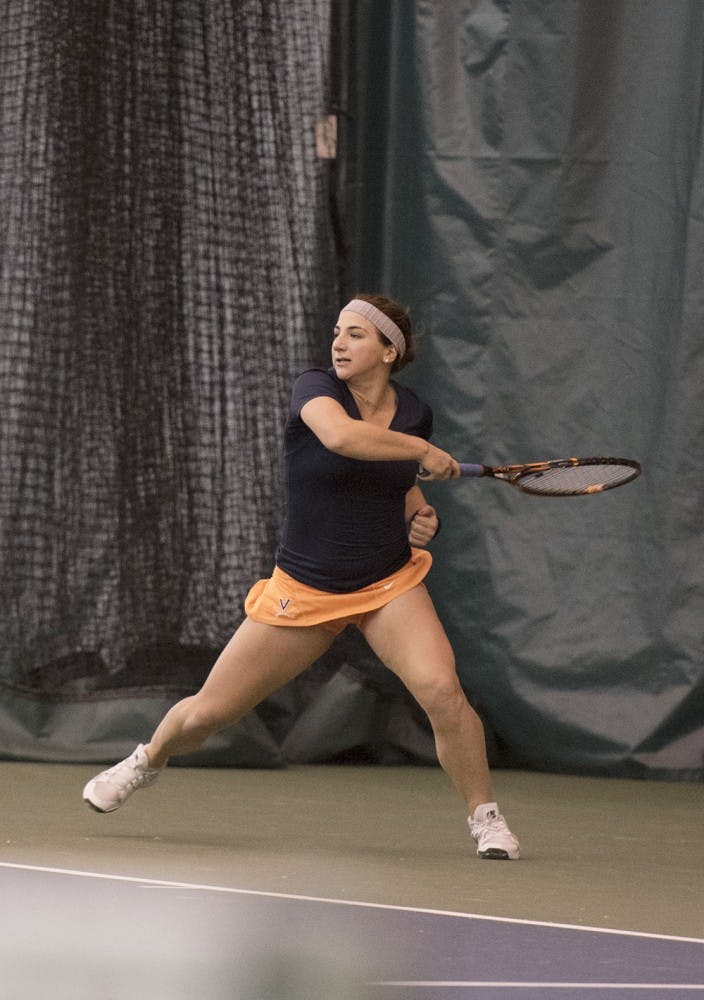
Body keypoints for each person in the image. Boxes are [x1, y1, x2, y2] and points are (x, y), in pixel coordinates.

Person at [83, 294, 520, 860]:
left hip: (388, 583)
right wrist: (421, 450)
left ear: (390, 350)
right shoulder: (315, 389)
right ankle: (146, 760)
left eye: (356, 334)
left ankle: (485, 818)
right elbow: (342, 439)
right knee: (208, 713)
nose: (339, 342)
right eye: (338, 331)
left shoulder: (413, 411)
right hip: (305, 588)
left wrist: (418, 512)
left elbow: (397, 479)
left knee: (442, 691)